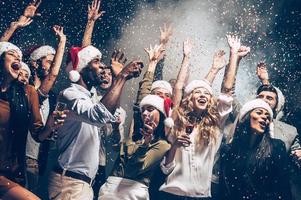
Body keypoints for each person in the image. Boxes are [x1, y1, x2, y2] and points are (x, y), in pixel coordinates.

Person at [48, 45, 143, 200]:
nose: (102, 66)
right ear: (81, 68)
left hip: (81, 184)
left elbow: (108, 116)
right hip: (69, 183)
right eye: (96, 62)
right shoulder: (69, 94)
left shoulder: (88, 98)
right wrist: (122, 76)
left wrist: (119, 78)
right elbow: (99, 115)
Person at [0, 41, 65, 200]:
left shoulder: (28, 92)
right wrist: (14, 27)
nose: (17, 58)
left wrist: (50, 126)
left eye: (19, 57)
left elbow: (38, 134)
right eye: (12, 54)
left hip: (14, 170)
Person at [98, 94, 172, 200]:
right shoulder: (133, 139)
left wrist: (145, 144)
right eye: (143, 110)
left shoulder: (162, 145)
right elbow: (114, 150)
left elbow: (132, 170)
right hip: (109, 190)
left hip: (132, 194)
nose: (145, 113)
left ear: (161, 115)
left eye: (150, 109)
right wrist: (115, 128)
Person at [220, 99, 292, 200]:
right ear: (246, 117)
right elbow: (225, 189)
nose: (264, 117)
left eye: (267, 117)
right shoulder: (229, 150)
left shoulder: (276, 147)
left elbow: (283, 186)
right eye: (259, 113)